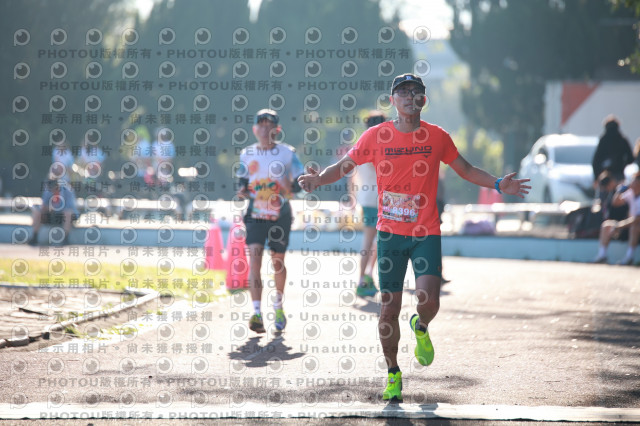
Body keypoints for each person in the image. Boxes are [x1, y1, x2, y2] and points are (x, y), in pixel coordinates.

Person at [298, 73, 531, 402]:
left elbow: (465, 169)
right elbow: (345, 165)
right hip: (390, 234)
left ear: (424, 99)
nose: (410, 97)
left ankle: (420, 326)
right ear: (392, 100)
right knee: (388, 310)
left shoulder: (437, 137)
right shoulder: (376, 135)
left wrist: (497, 184)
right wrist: (319, 179)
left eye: (416, 92)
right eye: (403, 92)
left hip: (426, 232)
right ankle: (393, 373)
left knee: (430, 301)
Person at [235, 109, 304, 333]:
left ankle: (278, 306)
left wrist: (290, 187)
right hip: (255, 214)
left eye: (270, 125)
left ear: (277, 129)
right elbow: (242, 181)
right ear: (255, 129)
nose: (265, 129)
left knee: (277, 262)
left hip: (279, 215)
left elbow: (300, 181)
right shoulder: (247, 154)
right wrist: (242, 191)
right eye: (261, 125)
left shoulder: (287, 153)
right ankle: (256, 312)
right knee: (254, 259)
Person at [354, 110, 386, 297]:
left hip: (366, 198)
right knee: (374, 240)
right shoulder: (378, 146)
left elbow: (352, 175)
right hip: (378, 199)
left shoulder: (360, 144)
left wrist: (352, 196)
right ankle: (363, 278)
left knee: (374, 240)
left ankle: (366, 276)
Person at [592, 171, 640, 265]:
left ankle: (629, 258)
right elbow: (615, 202)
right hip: (627, 225)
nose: (632, 184)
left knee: (635, 227)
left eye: (635, 182)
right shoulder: (630, 193)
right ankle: (602, 255)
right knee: (606, 225)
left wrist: (619, 226)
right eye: (632, 182)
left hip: (635, 226)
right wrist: (620, 190)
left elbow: (637, 219)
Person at [28, 178, 79, 246]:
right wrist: (45, 208)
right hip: (52, 215)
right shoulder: (47, 191)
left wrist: (55, 208)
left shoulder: (68, 191)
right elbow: (44, 206)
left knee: (68, 213)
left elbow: (70, 207)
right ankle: (35, 237)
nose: (52, 190)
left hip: (65, 216)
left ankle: (66, 238)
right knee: (38, 213)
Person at [592, 115, 633, 182]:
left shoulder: (603, 140)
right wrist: (623, 165)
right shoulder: (622, 140)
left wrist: (597, 177)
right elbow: (630, 158)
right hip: (619, 173)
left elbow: (596, 160)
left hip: (605, 175)